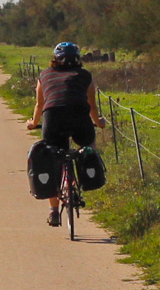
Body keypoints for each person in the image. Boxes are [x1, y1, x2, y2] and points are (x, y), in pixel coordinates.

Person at [26, 41, 106, 226]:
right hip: (79, 117)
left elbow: (40, 105)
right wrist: (98, 122)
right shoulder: (84, 75)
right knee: (88, 145)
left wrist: (33, 123)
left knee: (51, 158)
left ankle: (54, 211)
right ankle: (87, 167)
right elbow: (91, 106)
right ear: (78, 58)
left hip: (53, 119)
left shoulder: (44, 75)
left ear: (55, 59)